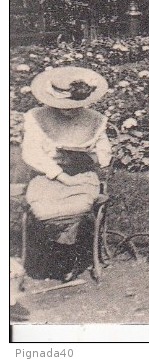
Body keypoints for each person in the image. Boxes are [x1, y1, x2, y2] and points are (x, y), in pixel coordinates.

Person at [20, 67, 112, 281]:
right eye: (63, 105)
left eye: (74, 106)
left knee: (78, 204)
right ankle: (56, 254)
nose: (68, 110)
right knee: (43, 208)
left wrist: (92, 157)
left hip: (82, 174)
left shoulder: (94, 120)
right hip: (47, 174)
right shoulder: (37, 118)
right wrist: (59, 174)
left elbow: (104, 153)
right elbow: (31, 152)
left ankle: (67, 255)